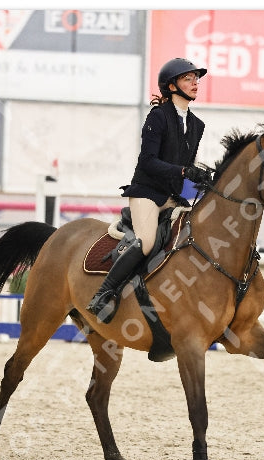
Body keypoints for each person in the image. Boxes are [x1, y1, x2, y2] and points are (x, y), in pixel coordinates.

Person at [87, 57, 212, 321]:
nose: (195, 83)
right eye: (188, 78)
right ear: (172, 86)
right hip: (147, 194)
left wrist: (198, 185)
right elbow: (148, 161)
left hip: (174, 196)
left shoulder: (198, 125)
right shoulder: (158, 117)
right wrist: (182, 171)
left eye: (196, 78)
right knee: (146, 242)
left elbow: (186, 167)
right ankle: (103, 294)